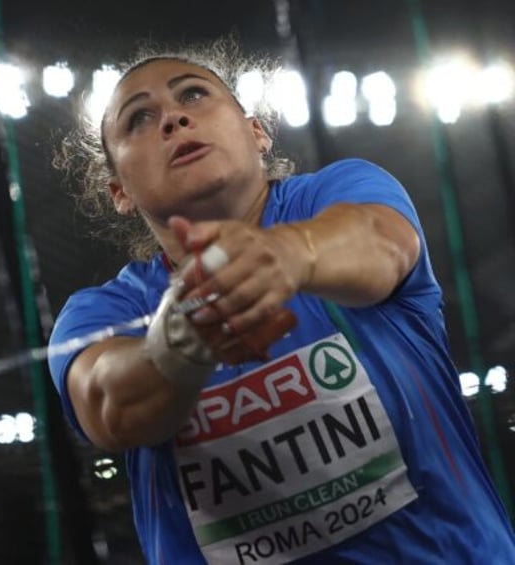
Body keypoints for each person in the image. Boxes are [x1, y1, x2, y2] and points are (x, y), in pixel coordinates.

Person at [47, 40, 515, 564]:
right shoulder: (98, 313)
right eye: (139, 119)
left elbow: (381, 245)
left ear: (257, 132)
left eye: (194, 95)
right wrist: (176, 347)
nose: (174, 119)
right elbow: (109, 406)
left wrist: (291, 252)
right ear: (119, 192)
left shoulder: (340, 192)